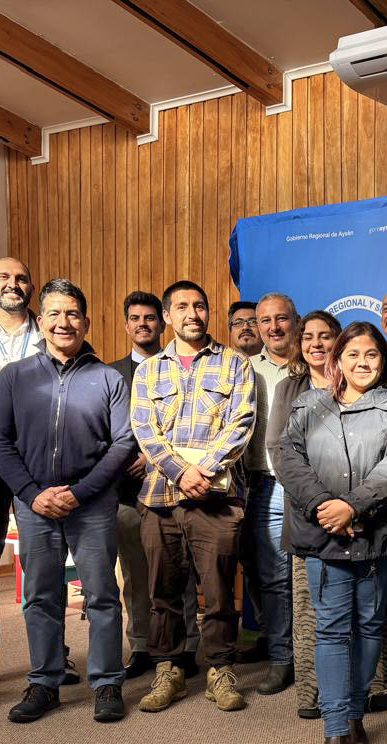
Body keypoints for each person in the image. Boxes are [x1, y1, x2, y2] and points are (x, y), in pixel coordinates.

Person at [0, 279, 135, 723]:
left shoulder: (108, 378)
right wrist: (32, 495)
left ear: (86, 322)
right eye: (53, 313)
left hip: (92, 505)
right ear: (41, 321)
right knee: (40, 596)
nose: (63, 322)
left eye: (72, 313)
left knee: (102, 595)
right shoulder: (14, 377)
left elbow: (123, 443)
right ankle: (44, 682)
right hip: (35, 507)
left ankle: (107, 683)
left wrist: (79, 492)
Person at [277, 321, 387, 744]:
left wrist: (352, 507)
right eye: (353, 354)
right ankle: (337, 730)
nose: (362, 363)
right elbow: (287, 458)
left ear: (384, 362)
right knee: (333, 630)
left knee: (371, 625)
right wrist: (325, 507)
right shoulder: (309, 405)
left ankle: (355, 715)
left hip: (376, 535)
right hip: (323, 537)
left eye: (372, 356)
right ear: (337, 359)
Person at [131, 280, 257, 713]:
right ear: (167, 315)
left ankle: (221, 669)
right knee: (162, 591)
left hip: (217, 497)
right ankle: (169, 668)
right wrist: (180, 472)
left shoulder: (235, 364)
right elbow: (145, 430)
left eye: (199, 306)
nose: (192, 313)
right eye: (182, 306)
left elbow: (241, 423)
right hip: (160, 497)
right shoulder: (148, 371)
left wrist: (204, 470)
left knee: (220, 589)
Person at [0, 256, 72, 690]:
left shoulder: (48, 329)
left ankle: (55, 656)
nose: (13, 284)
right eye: (4, 277)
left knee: (44, 565)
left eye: (22, 277)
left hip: (38, 459)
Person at [109, 291, 201, 680]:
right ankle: (143, 645)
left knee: (181, 574)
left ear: (162, 322)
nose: (143, 324)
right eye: (135, 318)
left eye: (150, 318)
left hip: (176, 488)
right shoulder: (110, 373)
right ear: (127, 324)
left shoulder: (184, 366)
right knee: (136, 576)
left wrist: (155, 456)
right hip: (128, 493)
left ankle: (188, 647)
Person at [268, 310, 342, 719]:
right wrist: (316, 500)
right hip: (305, 511)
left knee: (353, 607)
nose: (316, 343)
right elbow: (278, 451)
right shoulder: (287, 388)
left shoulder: (355, 383)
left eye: (325, 336)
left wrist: (347, 504)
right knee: (310, 605)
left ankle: (363, 687)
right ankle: (313, 693)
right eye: (308, 336)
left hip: (352, 511)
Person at [241, 292, 302, 694]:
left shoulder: (318, 363)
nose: (273, 327)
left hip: (310, 486)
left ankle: (313, 656)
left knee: (313, 578)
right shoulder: (242, 369)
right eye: (265, 321)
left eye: (281, 319)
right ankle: (282, 658)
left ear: (295, 321)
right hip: (263, 485)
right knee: (275, 579)